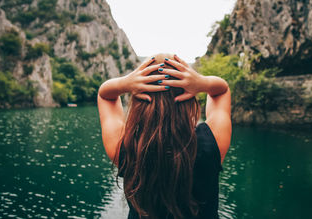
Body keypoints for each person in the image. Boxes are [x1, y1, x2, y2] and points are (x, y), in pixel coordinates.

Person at [97, 54, 231, 219]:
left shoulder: (126, 148)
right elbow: (222, 91)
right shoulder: (211, 144)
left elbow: (105, 96)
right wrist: (202, 83)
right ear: (189, 99)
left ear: (139, 102)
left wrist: (125, 83)